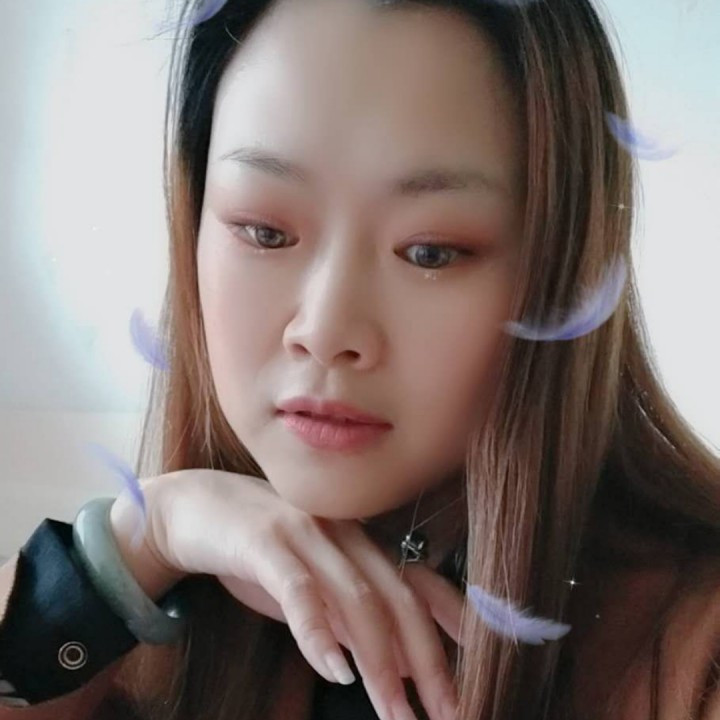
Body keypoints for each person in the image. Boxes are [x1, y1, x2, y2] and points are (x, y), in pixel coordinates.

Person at [1, 0, 720, 719]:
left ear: (561, 272)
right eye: (264, 232)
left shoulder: (690, 649)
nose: (324, 329)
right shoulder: (159, 602)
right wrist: (142, 540)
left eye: (430, 252)